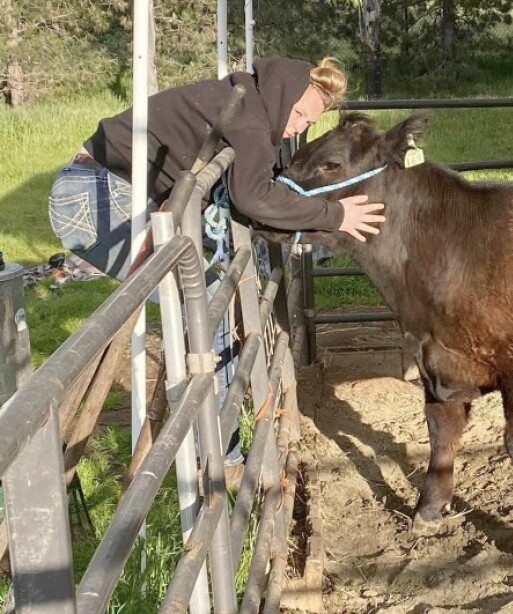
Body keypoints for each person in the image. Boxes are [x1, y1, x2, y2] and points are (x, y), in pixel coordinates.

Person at [47, 57, 385, 485]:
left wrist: (312, 224)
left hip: (112, 191)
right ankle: (220, 459)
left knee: (210, 300)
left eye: (307, 122)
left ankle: (217, 440)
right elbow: (254, 197)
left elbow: (255, 196)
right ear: (284, 95)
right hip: (92, 194)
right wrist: (334, 215)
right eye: (299, 113)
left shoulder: (244, 102)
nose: (297, 128)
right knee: (207, 305)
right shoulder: (248, 119)